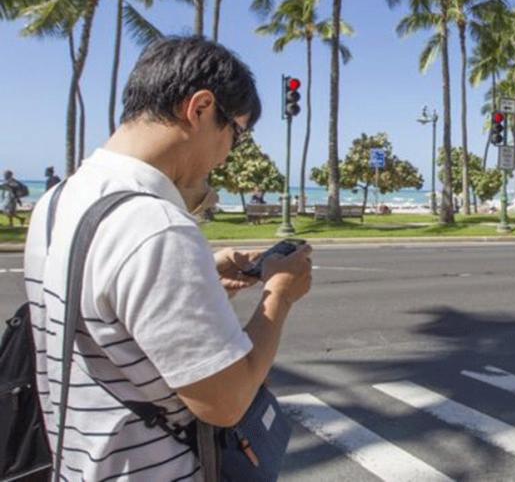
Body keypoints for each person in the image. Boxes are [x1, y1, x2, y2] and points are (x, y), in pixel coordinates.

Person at [24, 36, 313, 480]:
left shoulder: (60, 200)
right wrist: (281, 293)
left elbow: (103, 322)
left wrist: (201, 279)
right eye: (234, 133)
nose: (226, 156)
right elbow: (225, 401)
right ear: (199, 108)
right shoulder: (156, 227)